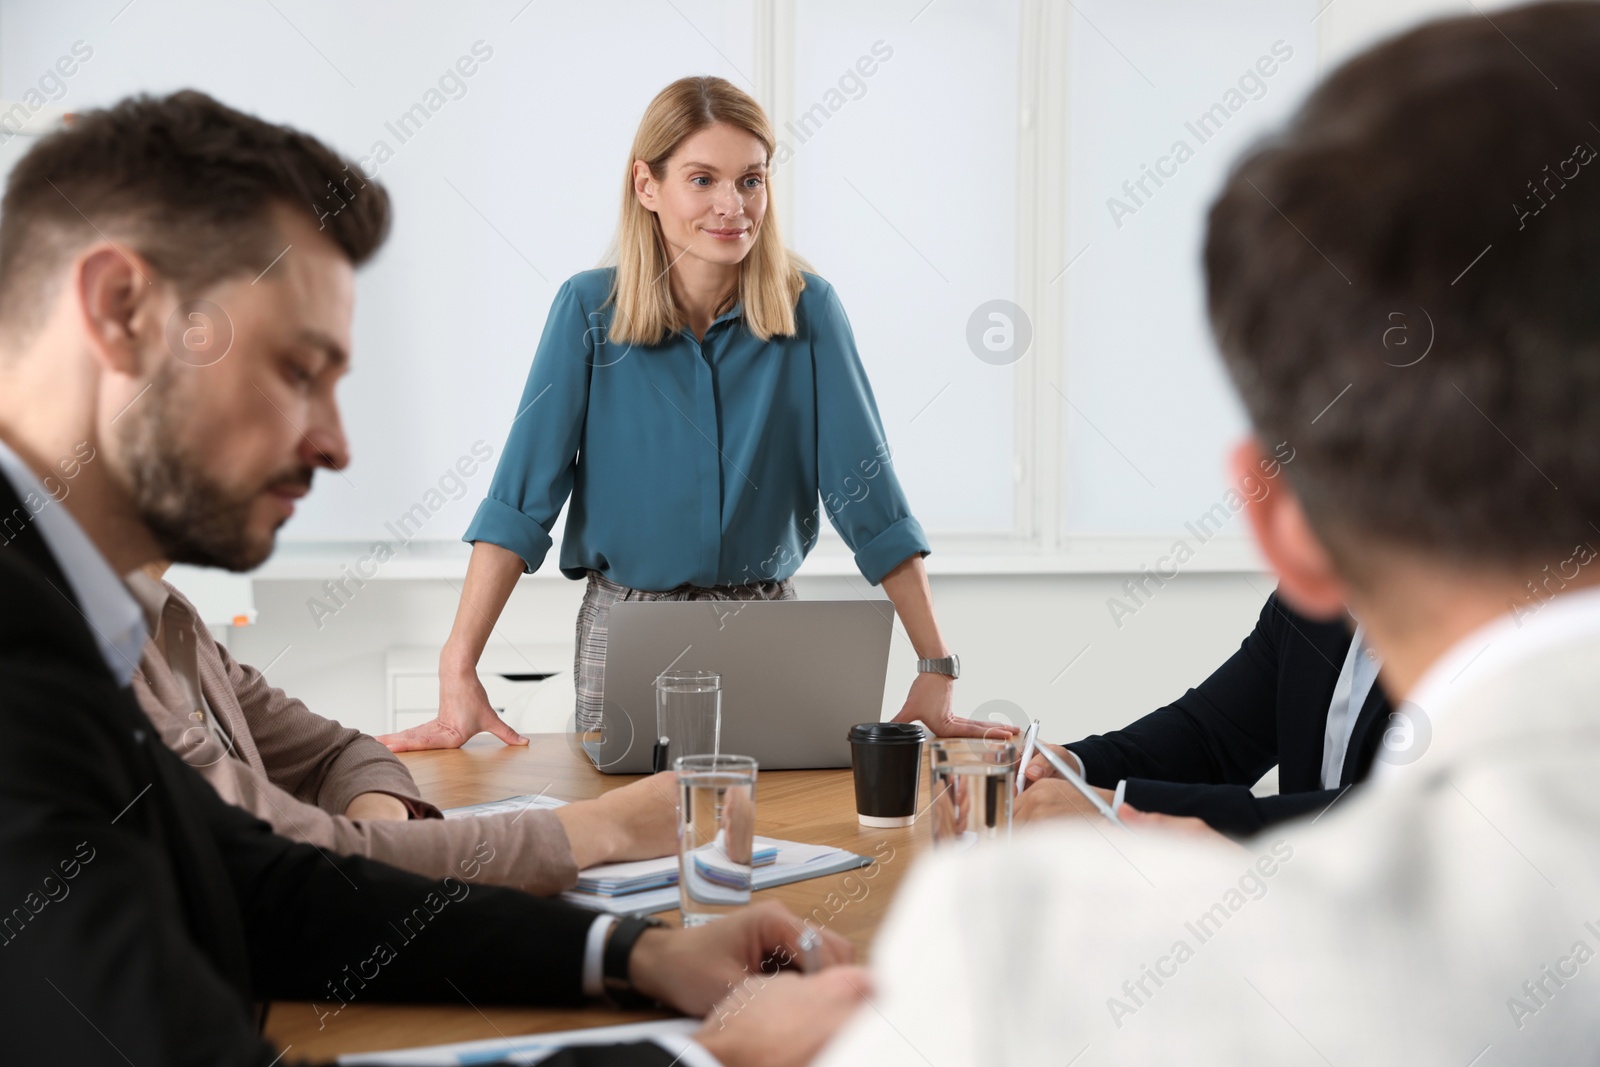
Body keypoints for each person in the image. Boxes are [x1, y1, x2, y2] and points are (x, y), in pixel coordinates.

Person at [0, 88, 862, 1067]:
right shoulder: (24, 652)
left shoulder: (101, 609)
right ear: (119, 310)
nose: (335, 444)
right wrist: (709, 1057)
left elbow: (271, 886)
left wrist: (639, 951)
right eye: (297, 368)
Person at [808, 3, 1600, 1061]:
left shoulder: (1030, 958)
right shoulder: (1315, 624)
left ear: (1282, 517)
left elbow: (1355, 814)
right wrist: (1067, 762)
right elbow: (1218, 728)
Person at [378, 76, 1002, 754]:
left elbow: (871, 503)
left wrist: (936, 665)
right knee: (625, 845)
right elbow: (520, 502)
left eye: (751, 180)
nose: (732, 206)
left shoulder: (809, 311)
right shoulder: (588, 313)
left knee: (782, 839)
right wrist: (458, 664)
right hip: (629, 625)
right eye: (702, 179)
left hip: (768, 625)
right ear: (647, 185)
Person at [129, 560, 679, 894]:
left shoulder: (176, 620)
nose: (330, 452)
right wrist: (605, 828)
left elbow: (339, 752)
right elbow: (309, 861)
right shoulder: (94, 663)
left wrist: (378, 831)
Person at [1017, 591, 1393, 836]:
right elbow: (1209, 738)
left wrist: (1115, 812)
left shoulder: (1450, 641)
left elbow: (1388, 819)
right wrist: (1069, 765)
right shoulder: (1310, 600)